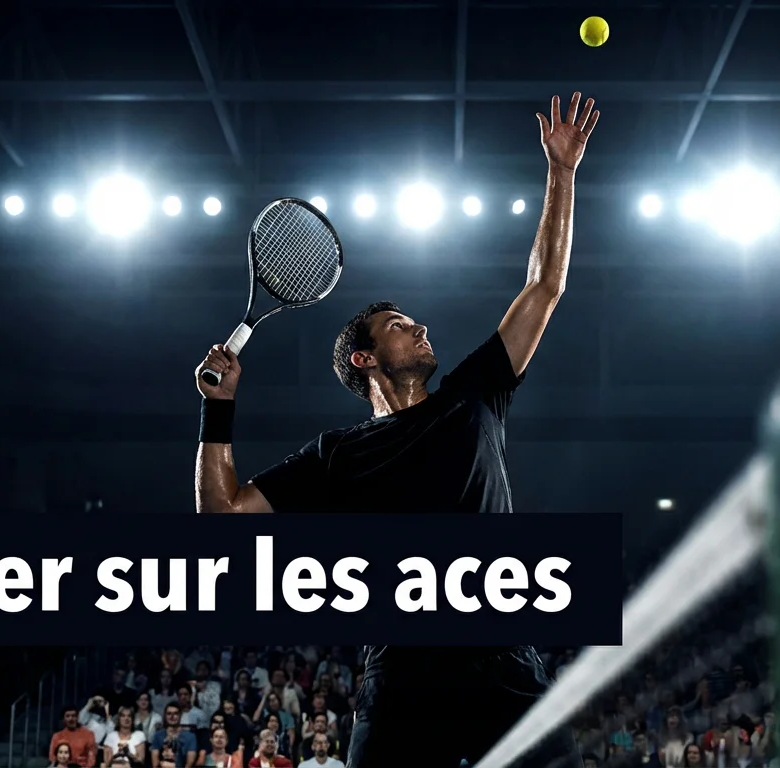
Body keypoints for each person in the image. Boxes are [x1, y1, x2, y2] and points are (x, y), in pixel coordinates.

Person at [194, 91, 600, 768]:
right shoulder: (336, 455)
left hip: (502, 659)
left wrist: (562, 173)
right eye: (399, 325)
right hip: (405, 674)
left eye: (416, 321)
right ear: (366, 357)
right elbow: (223, 515)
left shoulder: (474, 396)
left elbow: (544, 287)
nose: (421, 327)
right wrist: (218, 409)